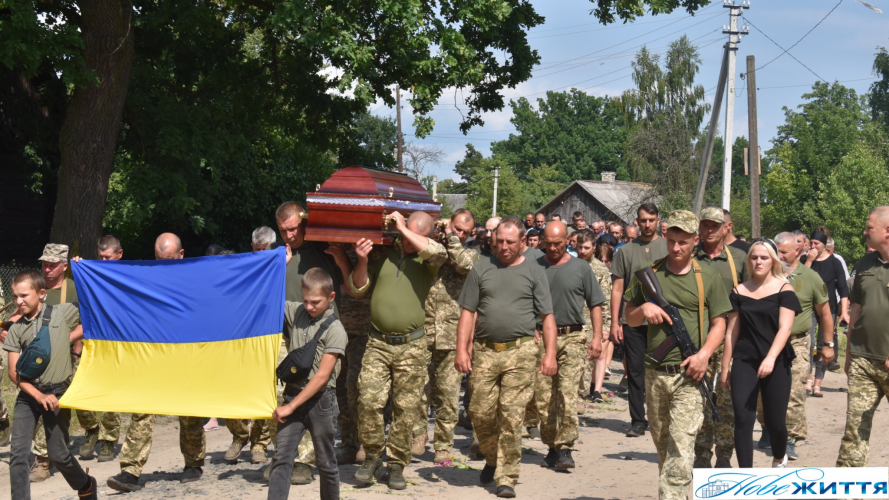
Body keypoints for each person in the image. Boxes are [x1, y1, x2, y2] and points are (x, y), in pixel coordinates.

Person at [624, 210, 732, 500]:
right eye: (671, 240)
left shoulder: (707, 277)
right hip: (656, 373)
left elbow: (720, 322)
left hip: (690, 374)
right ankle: (680, 493)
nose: (675, 248)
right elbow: (628, 317)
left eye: (683, 242)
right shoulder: (650, 273)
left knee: (681, 446)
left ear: (695, 240)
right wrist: (643, 310)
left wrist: (705, 354)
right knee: (664, 447)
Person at [455, 218, 556, 498]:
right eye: (500, 240)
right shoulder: (481, 267)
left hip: (521, 353)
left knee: (512, 417)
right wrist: (462, 349)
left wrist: (549, 354)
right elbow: (468, 312)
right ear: (493, 239)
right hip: (485, 351)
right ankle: (491, 457)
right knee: (480, 412)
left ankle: (507, 475)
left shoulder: (535, 272)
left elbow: (547, 317)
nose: (504, 246)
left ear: (523, 242)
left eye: (511, 242)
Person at [350, 211, 447, 490]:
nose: (405, 240)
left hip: (412, 346)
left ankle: (396, 464)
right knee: (367, 401)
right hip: (378, 343)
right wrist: (363, 259)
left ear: (426, 234)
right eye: (402, 233)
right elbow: (357, 288)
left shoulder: (429, 259)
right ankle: (371, 456)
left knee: (406, 410)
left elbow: (436, 251)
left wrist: (404, 228)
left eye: (413, 234)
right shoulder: (383, 253)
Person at [107, 233, 205, 492]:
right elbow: (118, 287)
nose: (164, 263)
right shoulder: (146, 277)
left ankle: (193, 463)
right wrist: (86, 269)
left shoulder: (195, 279)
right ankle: (130, 470)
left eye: (170, 259)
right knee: (142, 409)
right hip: (151, 356)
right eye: (160, 259)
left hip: (186, 354)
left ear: (181, 255)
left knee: (190, 412)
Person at [270, 201, 353, 485]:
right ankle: (284, 455)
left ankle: (305, 462)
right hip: (288, 336)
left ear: (303, 223)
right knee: (286, 396)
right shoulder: (279, 256)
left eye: (293, 228)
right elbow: (267, 295)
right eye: (283, 231)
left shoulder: (323, 249)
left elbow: (349, 281)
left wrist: (342, 257)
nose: (289, 235)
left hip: (321, 335)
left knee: (317, 395)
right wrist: (278, 268)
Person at [3, 269, 99, 500]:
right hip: (29, 396)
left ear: (41, 293)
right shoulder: (15, 329)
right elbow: (15, 374)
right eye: (15, 296)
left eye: (24, 295)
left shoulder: (63, 313)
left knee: (58, 454)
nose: (19, 301)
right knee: (18, 454)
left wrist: (86, 270)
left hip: (58, 395)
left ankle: (85, 485)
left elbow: (94, 306)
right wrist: (38, 396)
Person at [532, 222, 605, 471]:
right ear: (542, 241)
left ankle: (565, 448)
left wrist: (597, 337)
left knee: (567, 393)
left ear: (568, 241)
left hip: (572, 336)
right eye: (549, 243)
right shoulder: (535, 267)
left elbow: (595, 303)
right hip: (541, 339)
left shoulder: (581, 268)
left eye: (558, 243)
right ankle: (551, 445)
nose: (553, 248)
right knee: (543, 397)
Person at [721, 239, 801, 468]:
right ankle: (747, 475)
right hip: (745, 359)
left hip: (776, 360)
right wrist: (725, 367)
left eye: (764, 257)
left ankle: (779, 458)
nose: (758, 261)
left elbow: (785, 328)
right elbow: (731, 333)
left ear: (773, 260)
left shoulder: (784, 289)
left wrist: (770, 358)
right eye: (754, 257)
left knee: (775, 422)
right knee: (743, 420)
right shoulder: (739, 290)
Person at [268, 266, 345, 500]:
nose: (309, 307)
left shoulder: (336, 330)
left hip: (320, 402)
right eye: (305, 301)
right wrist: (279, 266)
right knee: (281, 458)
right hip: (293, 395)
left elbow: (321, 377)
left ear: (331, 297)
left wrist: (290, 407)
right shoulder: (297, 311)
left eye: (315, 302)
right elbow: (270, 296)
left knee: (325, 462)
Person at [414, 209, 480, 464]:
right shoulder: (429, 247)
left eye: (464, 231)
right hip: (422, 329)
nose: (460, 234)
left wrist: (451, 237)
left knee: (448, 395)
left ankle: (443, 445)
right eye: (456, 228)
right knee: (418, 390)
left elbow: (464, 265)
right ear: (448, 223)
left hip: (452, 336)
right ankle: (418, 436)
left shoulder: (471, 254)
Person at [693, 208, 749, 469]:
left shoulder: (740, 259)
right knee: (700, 398)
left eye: (715, 225)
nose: (710, 230)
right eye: (705, 225)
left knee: (726, 400)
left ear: (726, 227)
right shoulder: (691, 258)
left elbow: (754, 297)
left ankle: (724, 454)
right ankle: (702, 453)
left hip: (732, 339)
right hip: (699, 339)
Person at [835, 206, 889, 470]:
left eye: (869, 227)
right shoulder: (864, 263)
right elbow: (855, 310)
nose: (864, 231)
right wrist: (848, 355)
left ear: (886, 230)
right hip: (863, 361)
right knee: (854, 431)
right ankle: (848, 491)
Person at [771, 232, 831, 460]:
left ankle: (789, 439)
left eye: (783, 252)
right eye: (775, 251)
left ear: (798, 251)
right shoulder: (766, 274)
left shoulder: (811, 277)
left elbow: (824, 313)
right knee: (762, 396)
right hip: (767, 343)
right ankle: (770, 428)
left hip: (797, 342)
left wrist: (828, 344)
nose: (778, 256)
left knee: (794, 391)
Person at [611, 203, 668, 438]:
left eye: (651, 220)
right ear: (637, 221)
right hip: (633, 319)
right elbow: (617, 288)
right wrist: (615, 322)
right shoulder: (625, 251)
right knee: (635, 371)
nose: (647, 224)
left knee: (662, 371)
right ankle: (637, 420)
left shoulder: (668, 247)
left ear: (658, 220)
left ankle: (661, 417)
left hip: (662, 320)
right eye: (643, 220)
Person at [803, 229, 849, 397]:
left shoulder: (835, 262)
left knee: (825, 344)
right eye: (812, 243)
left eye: (817, 244)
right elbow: (799, 279)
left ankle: (818, 383)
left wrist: (844, 311)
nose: (813, 246)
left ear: (824, 245)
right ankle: (807, 378)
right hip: (808, 307)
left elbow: (843, 290)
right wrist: (808, 260)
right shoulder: (805, 259)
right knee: (809, 341)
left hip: (828, 308)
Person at [575, 231, 612, 406]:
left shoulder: (599, 269)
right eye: (580, 247)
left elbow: (606, 300)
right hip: (570, 320)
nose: (583, 251)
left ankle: (580, 401)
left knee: (585, 365)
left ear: (594, 247)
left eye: (587, 247)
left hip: (590, 323)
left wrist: (605, 326)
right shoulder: (570, 265)